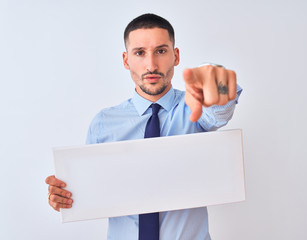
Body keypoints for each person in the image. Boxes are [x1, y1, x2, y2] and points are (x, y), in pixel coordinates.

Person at [45, 13, 242, 240]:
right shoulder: (103, 124)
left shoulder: (194, 108)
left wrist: (216, 82)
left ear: (175, 56)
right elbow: (92, 192)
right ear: (126, 60)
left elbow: (219, 112)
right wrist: (64, 195)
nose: (151, 65)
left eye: (161, 51)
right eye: (140, 53)